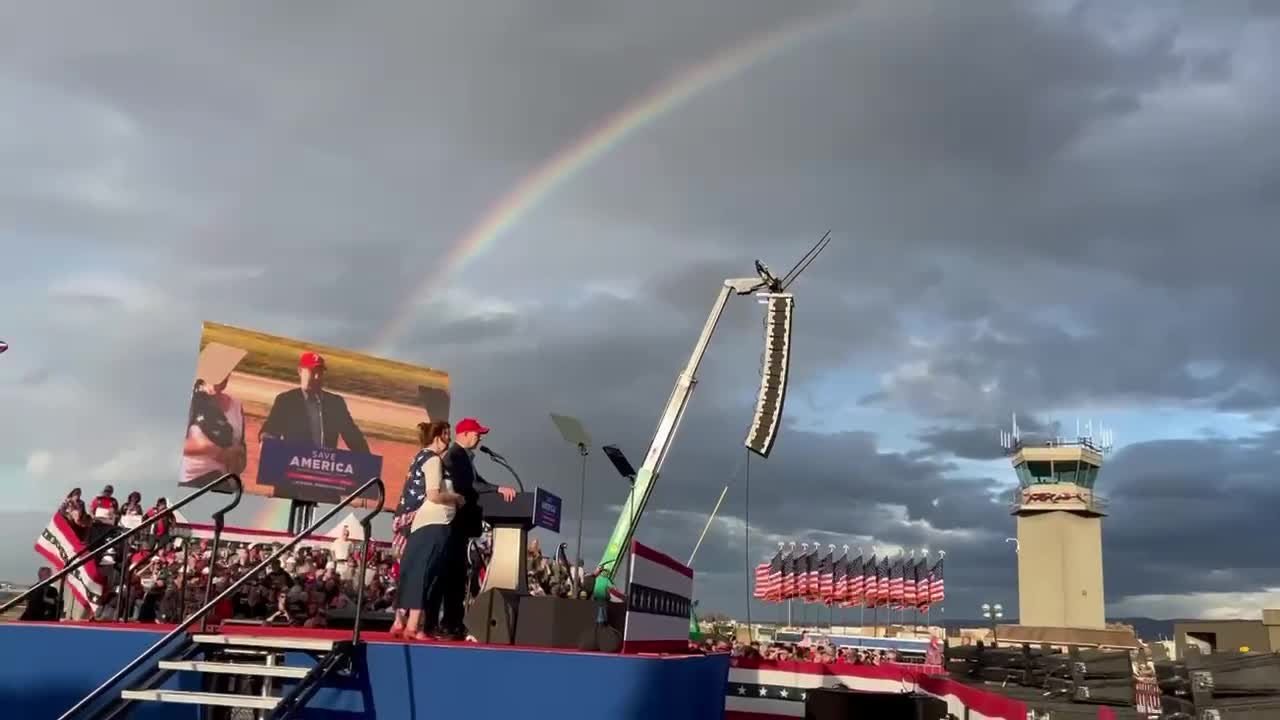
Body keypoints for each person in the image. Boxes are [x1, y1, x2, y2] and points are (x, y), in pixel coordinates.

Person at [422, 417, 517, 640]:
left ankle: (453, 622)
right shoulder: (454, 455)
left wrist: (495, 489)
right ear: (464, 434)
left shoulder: (465, 457)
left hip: (462, 527)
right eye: (477, 433)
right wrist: (497, 488)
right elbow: (470, 485)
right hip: (454, 524)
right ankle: (441, 623)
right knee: (448, 576)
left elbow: (477, 481)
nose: (480, 437)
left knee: (456, 576)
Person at [390, 421, 463, 640]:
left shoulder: (418, 457)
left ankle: (401, 622)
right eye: (447, 435)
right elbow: (433, 494)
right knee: (425, 572)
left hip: (417, 521)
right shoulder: (432, 460)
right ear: (439, 436)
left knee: (413, 570)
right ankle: (414, 626)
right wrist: (457, 498)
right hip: (432, 521)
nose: (449, 440)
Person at [259, 351, 370, 453]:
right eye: (312, 372)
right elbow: (271, 429)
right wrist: (266, 439)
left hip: (323, 469)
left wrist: (367, 459)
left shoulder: (335, 403)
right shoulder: (287, 401)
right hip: (294, 467)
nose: (317, 377)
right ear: (300, 371)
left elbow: (353, 437)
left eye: (320, 372)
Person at [181, 342, 248, 488]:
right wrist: (214, 450)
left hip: (223, 482)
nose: (223, 376)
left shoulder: (236, 405)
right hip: (191, 481)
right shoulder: (191, 399)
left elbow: (242, 449)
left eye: (227, 370)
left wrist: (237, 458)